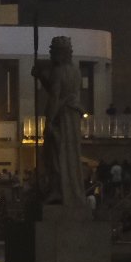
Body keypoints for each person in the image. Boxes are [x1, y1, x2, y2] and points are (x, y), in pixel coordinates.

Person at [32, 36, 86, 206]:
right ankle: (68, 190)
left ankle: (58, 190)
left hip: (61, 118)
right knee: (69, 154)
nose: (50, 55)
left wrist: (49, 123)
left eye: (52, 51)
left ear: (60, 53)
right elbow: (60, 91)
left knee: (56, 153)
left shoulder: (58, 71)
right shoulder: (75, 71)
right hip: (73, 116)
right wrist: (41, 77)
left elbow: (55, 97)